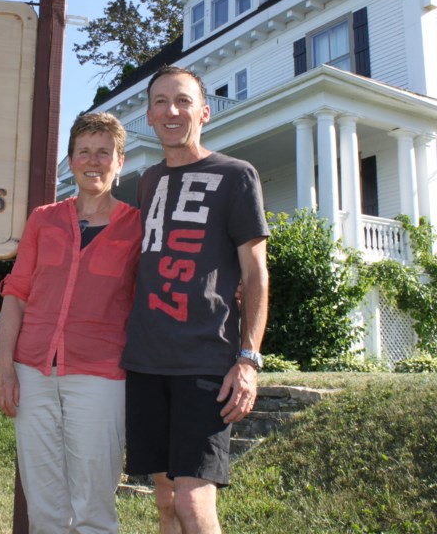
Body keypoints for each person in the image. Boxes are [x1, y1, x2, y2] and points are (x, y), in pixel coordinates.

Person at [121, 65, 270, 534]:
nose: (171, 110)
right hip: (146, 361)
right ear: (148, 115)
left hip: (205, 361)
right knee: (165, 500)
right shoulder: (147, 181)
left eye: (183, 100)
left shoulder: (235, 175)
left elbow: (256, 274)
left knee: (192, 500)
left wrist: (247, 359)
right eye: (161, 101)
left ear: (203, 112)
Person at [0, 112, 141, 534]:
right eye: (84, 152)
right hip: (32, 370)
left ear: (119, 161)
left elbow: (164, 284)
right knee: (44, 504)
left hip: (100, 374)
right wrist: (4, 366)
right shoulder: (44, 219)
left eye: (103, 152)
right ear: (72, 160)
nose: (93, 161)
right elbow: (16, 294)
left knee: (93, 503)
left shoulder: (138, 227)